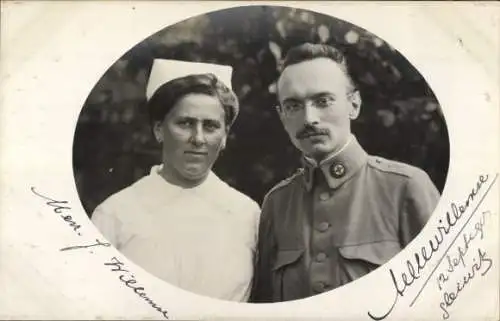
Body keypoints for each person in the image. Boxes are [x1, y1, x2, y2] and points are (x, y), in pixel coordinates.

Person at [250, 43, 440, 302]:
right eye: (294, 106)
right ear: (282, 116)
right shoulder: (277, 203)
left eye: (323, 101)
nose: (309, 118)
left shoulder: (405, 188)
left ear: (354, 104)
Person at [92, 59, 260, 302]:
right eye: (185, 123)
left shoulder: (248, 214)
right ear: (159, 130)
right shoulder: (115, 214)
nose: (198, 138)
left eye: (211, 126)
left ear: (224, 137)